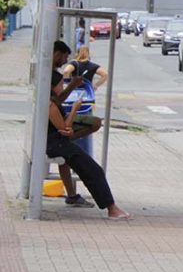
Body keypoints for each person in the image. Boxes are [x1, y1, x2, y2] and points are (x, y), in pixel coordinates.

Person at [48, 71, 131, 219]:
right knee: (94, 171)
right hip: (56, 144)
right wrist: (74, 109)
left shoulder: (51, 101)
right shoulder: (51, 105)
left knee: (89, 169)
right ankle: (112, 209)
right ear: (53, 87)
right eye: (61, 85)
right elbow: (65, 130)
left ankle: (111, 207)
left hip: (56, 143)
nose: (63, 87)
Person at [51, 41, 100, 207]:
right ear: (56, 53)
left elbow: (57, 99)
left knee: (64, 159)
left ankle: (71, 195)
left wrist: (71, 86)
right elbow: (59, 100)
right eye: (64, 57)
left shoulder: (51, 74)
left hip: (56, 127)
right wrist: (72, 87)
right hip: (60, 125)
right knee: (95, 122)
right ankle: (70, 137)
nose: (65, 61)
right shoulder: (54, 77)